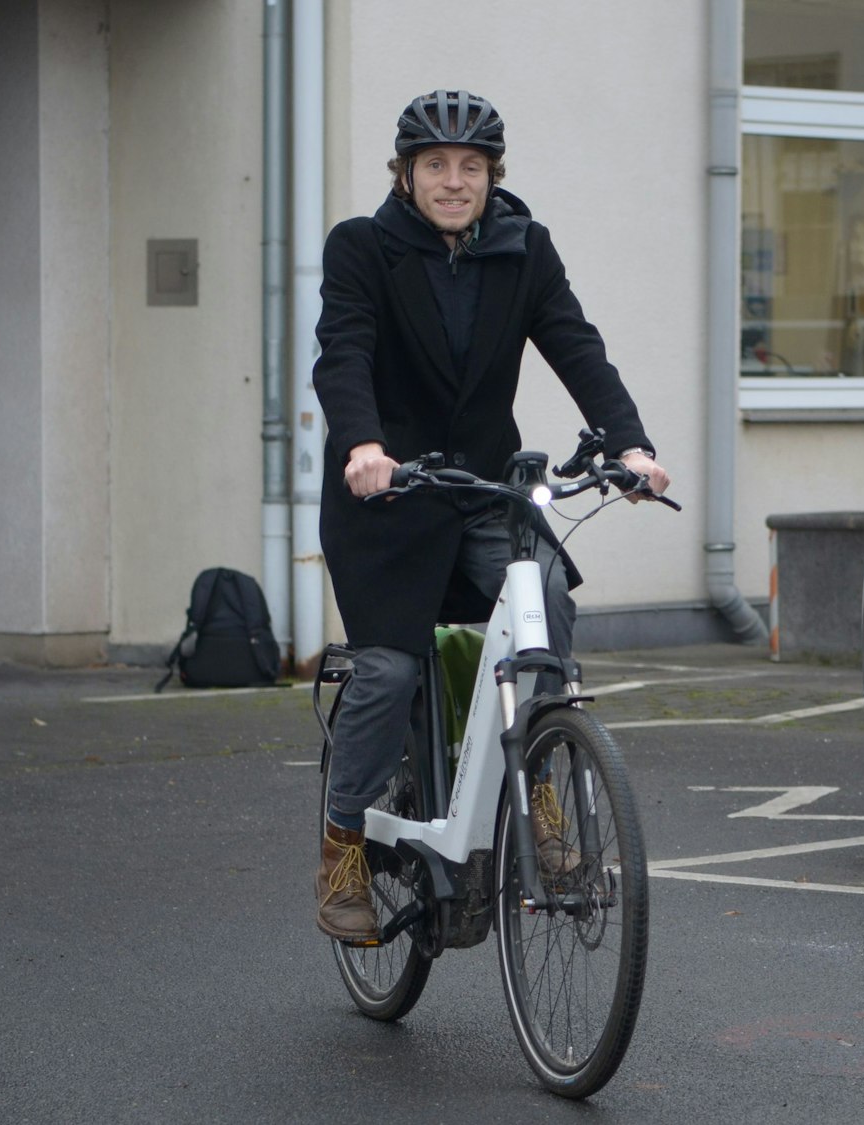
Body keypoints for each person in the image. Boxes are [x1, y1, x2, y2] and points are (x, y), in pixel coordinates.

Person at [310, 89, 671, 941]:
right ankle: (343, 848)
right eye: (435, 165)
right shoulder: (362, 248)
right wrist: (362, 443)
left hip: (479, 489)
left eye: (470, 167)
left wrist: (631, 446)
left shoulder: (523, 248)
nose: (453, 180)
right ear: (405, 174)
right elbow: (344, 350)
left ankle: (537, 789)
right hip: (388, 498)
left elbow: (576, 344)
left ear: (491, 177)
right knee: (392, 672)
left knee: (541, 605)